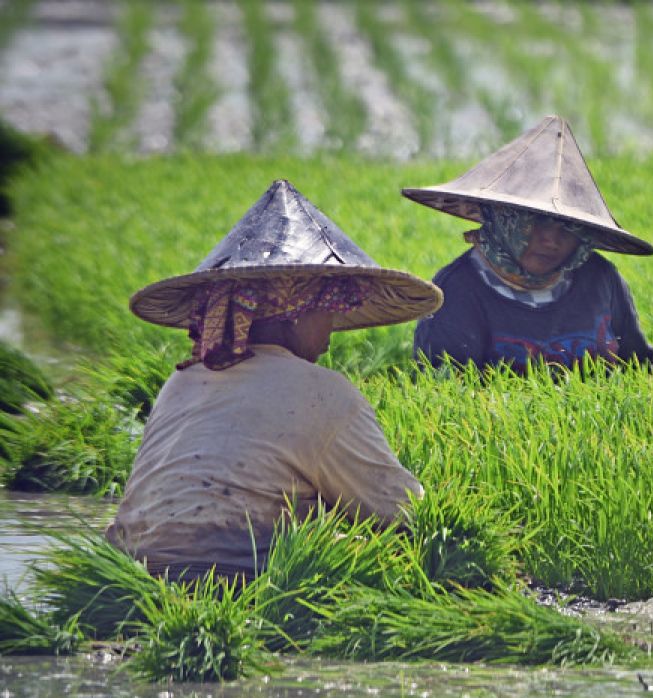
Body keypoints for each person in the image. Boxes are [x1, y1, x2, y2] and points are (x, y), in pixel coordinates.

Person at [106, 179, 443, 581]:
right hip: (239, 575)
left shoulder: (181, 382)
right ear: (297, 313)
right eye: (327, 314)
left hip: (131, 569)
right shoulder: (324, 393)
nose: (331, 333)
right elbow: (398, 510)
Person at [405, 115, 653, 378]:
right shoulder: (458, 290)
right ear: (501, 218)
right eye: (537, 223)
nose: (551, 240)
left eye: (568, 227)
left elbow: (641, 365)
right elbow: (444, 390)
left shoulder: (600, 279)